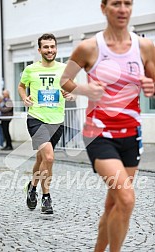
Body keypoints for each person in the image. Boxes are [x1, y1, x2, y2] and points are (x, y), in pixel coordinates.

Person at [60, 0, 155, 251]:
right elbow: (65, 81)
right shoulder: (89, 47)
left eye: (127, 3)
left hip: (131, 135)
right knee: (126, 199)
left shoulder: (144, 46)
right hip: (98, 134)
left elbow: (154, 84)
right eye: (116, 3)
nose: (122, 9)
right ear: (104, 8)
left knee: (113, 205)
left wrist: (150, 88)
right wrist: (85, 89)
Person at [18, 33, 74, 214]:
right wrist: (24, 97)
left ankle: (32, 188)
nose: (50, 50)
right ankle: (46, 197)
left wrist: (70, 95)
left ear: (56, 48)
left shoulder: (64, 69)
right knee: (49, 157)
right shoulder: (30, 69)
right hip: (36, 118)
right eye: (46, 47)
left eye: (52, 47)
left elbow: (70, 89)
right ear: (39, 50)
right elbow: (21, 86)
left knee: (41, 159)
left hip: (57, 121)